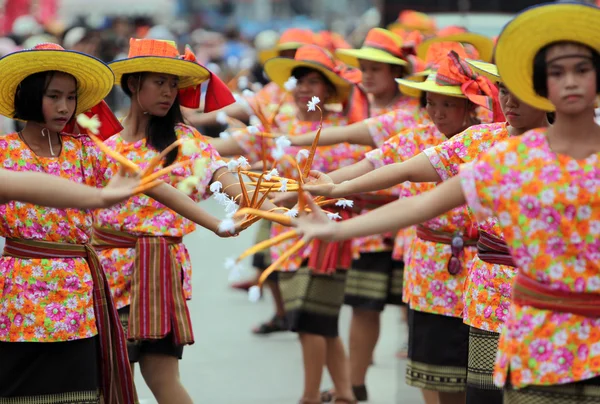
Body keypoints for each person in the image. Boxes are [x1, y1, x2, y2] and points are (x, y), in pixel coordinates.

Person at [295, 2, 600, 402]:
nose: (570, 82)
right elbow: (421, 203)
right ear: (540, 84)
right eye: (556, 73)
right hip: (532, 332)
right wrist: (335, 223)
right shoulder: (510, 157)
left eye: (582, 70)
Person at [94, 38, 274, 404]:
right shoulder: (101, 142)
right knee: (114, 380)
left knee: (163, 378)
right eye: (159, 82)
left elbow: (225, 179)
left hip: (160, 271)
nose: (168, 92)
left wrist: (270, 201)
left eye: (174, 84)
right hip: (107, 270)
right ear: (133, 84)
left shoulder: (185, 142)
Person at [0, 42, 143, 404]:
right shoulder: (4, 152)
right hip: (21, 291)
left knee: (80, 393)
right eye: (53, 96)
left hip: (79, 290)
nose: (64, 107)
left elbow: (146, 181)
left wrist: (214, 222)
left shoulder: (86, 151)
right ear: (32, 96)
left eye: (71, 97)